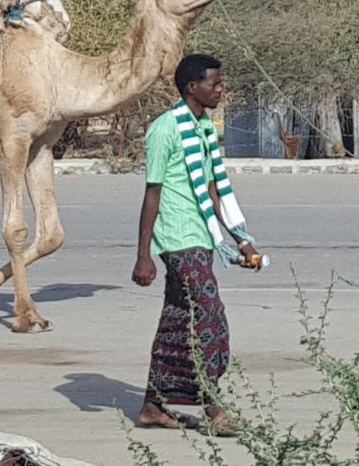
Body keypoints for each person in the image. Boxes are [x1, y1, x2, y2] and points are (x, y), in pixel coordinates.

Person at [134, 54, 262, 433]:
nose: (221, 90)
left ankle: (152, 406)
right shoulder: (164, 130)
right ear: (193, 87)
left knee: (176, 324)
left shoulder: (204, 128)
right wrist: (144, 255)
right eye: (216, 84)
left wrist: (241, 239)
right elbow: (152, 193)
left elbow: (212, 188)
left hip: (202, 237)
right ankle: (213, 409)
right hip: (177, 239)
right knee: (209, 320)